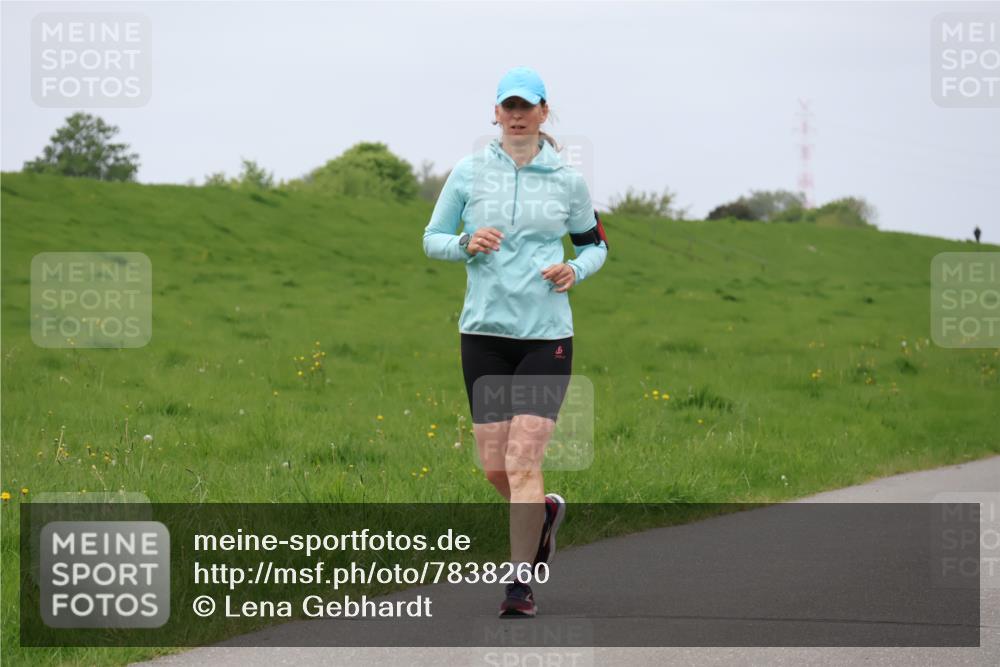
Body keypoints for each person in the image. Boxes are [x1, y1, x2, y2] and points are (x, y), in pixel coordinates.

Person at [422, 66, 608, 617]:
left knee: (524, 460)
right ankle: (545, 514)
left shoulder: (567, 181)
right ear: (496, 114)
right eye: (509, 106)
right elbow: (432, 240)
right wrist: (465, 242)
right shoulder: (468, 172)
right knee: (494, 468)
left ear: (545, 113)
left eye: (528, 105)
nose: (518, 114)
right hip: (483, 335)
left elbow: (595, 245)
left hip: (545, 337)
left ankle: (519, 583)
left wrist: (577, 269)